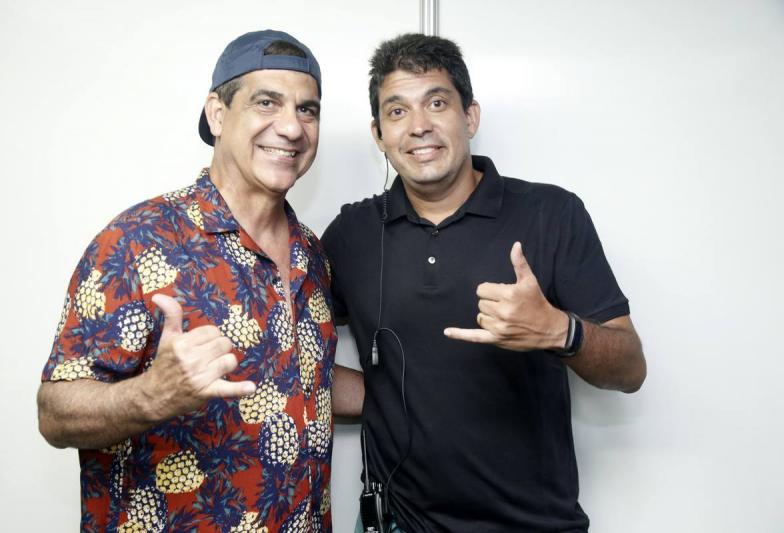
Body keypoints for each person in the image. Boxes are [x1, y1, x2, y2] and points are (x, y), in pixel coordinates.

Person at [323, 33, 647, 532]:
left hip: (533, 525)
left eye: (437, 103)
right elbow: (288, 356)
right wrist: (390, 400)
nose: (419, 126)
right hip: (398, 523)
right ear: (379, 134)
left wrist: (559, 331)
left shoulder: (551, 214)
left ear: (469, 117)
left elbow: (630, 369)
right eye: (397, 111)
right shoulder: (352, 234)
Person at [37, 30, 336, 532]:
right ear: (217, 114)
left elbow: (304, 376)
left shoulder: (313, 253)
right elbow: (53, 413)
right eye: (267, 102)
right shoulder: (138, 239)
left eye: (307, 110)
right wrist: (153, 394)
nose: (291, 127)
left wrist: (431, 387)